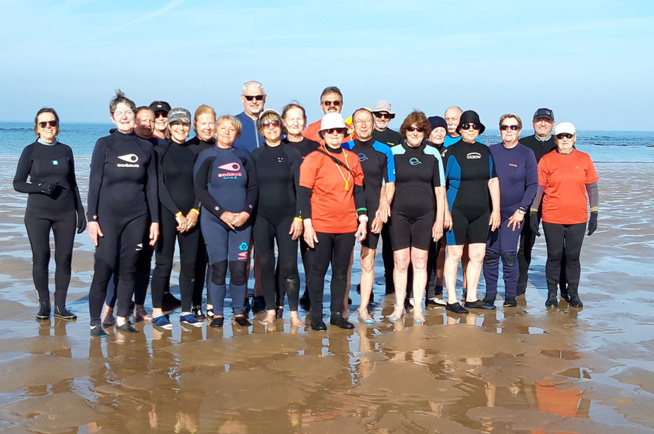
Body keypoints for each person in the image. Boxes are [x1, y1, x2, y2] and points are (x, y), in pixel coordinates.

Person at [87, 91, 159, 336]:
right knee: (104, 265)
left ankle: (122, 318)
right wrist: (91, 219)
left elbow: (151, 186)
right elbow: (94, 182)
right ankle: (95, 322)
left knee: (129, 268)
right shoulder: (104, 144)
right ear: (112, 118)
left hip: (137, 216)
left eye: (129, 112)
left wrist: (155, 221)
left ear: (136, 116)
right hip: (108, 216)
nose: (125, 117)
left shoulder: (145, 147)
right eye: (120, 113)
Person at [13, 108, 86, 320]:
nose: (48, 127)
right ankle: (44, 305)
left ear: (57, 126)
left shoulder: (66, 150)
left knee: (64, 259)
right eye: (43, 124)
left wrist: (80, 212)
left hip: (65, 214)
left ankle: (60, 306)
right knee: (41, 257)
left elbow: (72, 183)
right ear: (36, 127)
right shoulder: (30, 151)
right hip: (37, 214)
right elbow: (18, 183)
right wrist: (40, 187)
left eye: (51, 123)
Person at [299, 113, 367, 331]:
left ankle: (337, 314)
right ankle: (316, 315)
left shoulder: (352, 158)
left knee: (340, 271)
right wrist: (307, 224)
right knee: (317, 272)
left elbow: (359, 190)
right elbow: (303, 194)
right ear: (323, 134)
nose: (335, 135)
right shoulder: (313, 158)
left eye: (339, 131)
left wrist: (363, 218)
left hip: (347, 225)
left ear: (345, 134)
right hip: (320, 225)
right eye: (330, 131)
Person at [194, 115, 258, 328]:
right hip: (214, 221)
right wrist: (222, 214)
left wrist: (246, 213)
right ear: (216, 130)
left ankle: (239, 312)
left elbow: (253, 188)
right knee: (219, 267)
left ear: (238, 134)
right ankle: (218, 313)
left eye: (232, 129)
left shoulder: (244, 156)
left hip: (242, 221)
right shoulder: (207, 156)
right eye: (223, 128)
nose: (227, 132)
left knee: (239, 267)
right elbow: (200, 189)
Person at [529, 121, 599, 308]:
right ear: (556, 139)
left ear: (575, 137)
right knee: (554, 255)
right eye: (561, 136)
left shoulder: (584, 159)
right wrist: (534, 213)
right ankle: (552, 293)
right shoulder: (547, 160)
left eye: (569, 136)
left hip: (578, 217)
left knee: (573, 256)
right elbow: (539, 188)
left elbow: (592, 187)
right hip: (553, 217)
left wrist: (594, 213)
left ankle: (573, 293)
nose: (565, 139)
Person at [387, 111, 445, 323]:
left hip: (426, 214)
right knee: (400, 261)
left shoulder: (433, 154)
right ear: (405, 130)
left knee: (420, 261)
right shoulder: (392, 153)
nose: (415, 133)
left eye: (419, 129)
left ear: (425, 132)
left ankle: (418, 307)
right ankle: (399, 307)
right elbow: (387, 185)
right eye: (411, 128)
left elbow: (440, 190)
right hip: (399, 214)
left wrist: (440, 219)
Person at [150, 108, 204, 330]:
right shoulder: (160, 151)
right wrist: (177, 213)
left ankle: (186, 311)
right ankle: (157, 312)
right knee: (163, 262)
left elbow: (201, 185)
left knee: (189, 264)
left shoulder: (195, 153)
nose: (181, 128)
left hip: (191, 216)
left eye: (185, 124)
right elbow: (159, 185)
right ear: (169, 127)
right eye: (176, 124)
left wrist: (195, 211)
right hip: (168, 214)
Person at [441, 110, 500, 314]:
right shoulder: (451, 152)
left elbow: (493, 181)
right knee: (455, 254)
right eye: (466, 126)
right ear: (460, 128)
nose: (471, 129)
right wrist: (444, 213)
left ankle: (472, 297)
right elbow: (441, 185)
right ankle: (451, 299)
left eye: (475, 126)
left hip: (482, 211)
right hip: (457, 210)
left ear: (480, 129)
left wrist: (496, 210)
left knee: (477, 254)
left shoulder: (486, 151)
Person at [251, 109, 304, 326]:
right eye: (266, 124)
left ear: (281, 126)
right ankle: (271, 310)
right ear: (261, 129)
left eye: (274, 123)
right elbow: (250, 189)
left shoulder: (292, 154)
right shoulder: (254, 156)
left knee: (289, 265)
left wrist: (300, 217)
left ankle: (293, 313)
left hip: (287, 217)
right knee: (265, 262)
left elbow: (301, 189)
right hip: (262, 217)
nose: (271, 127)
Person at [342, 108, 395, 324]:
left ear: (373, 124)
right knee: (344, 262)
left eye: (367, 121)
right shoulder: (344, 148)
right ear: (352, 125)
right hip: (346, 210)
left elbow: (390, 183)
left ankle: (363, 308)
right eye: (359, 122)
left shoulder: (384, 151)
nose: (363, 125)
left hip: (373, 210)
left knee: (368, 260)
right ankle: (344, 307)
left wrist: (383, 210)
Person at [482, 114, 538, 307]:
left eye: (513, 127)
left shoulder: (526, 153)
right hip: (492, 211)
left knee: (508, 253)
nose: (509, 131)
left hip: (514, 212)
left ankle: (510, 296)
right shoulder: (491, 151)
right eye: (505, 127)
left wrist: (522, 209)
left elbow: (533, 185)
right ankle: (490, 294)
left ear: (519, 131)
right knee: (490, 253)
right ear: (499, 130)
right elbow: (483, 180)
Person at [281, 103, 320, 311]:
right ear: (284, 122)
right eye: (291, 118)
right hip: (286, 210)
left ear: (305, 121)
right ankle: (282, 300)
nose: (295, 122)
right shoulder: (279, 146)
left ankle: (311, 295)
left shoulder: (315, 147)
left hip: (311, 209)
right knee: (287, 261)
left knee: (311, 256)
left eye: (299, 118)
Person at [517, 108, 558, 296]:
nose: (543, 124)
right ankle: (520, 285)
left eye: (547, 121)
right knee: (525, 243)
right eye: (539, 120)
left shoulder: (560, 144)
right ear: (533, 123)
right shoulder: (523, 144)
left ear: (552, 123)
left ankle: (558, 287)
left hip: (552, 201)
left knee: (556, 247)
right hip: (527, 200)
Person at [186, 104, 217, 319]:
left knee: (213, 260)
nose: (207, 127)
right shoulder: (188, 148)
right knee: (195, 260)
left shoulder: (219, 148)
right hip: (193, 211)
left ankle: (211, 303)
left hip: (214, 213)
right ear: (195, 125)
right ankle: (194, 303)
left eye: (211, 123)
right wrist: (193, 210)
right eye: (203, 123)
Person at [233, 81, 266, 152]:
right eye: (249, 98)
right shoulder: (233, 123)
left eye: (258, 97)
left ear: (264, 98)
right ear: (242, 99)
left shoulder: (273, 124)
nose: (254, 101)